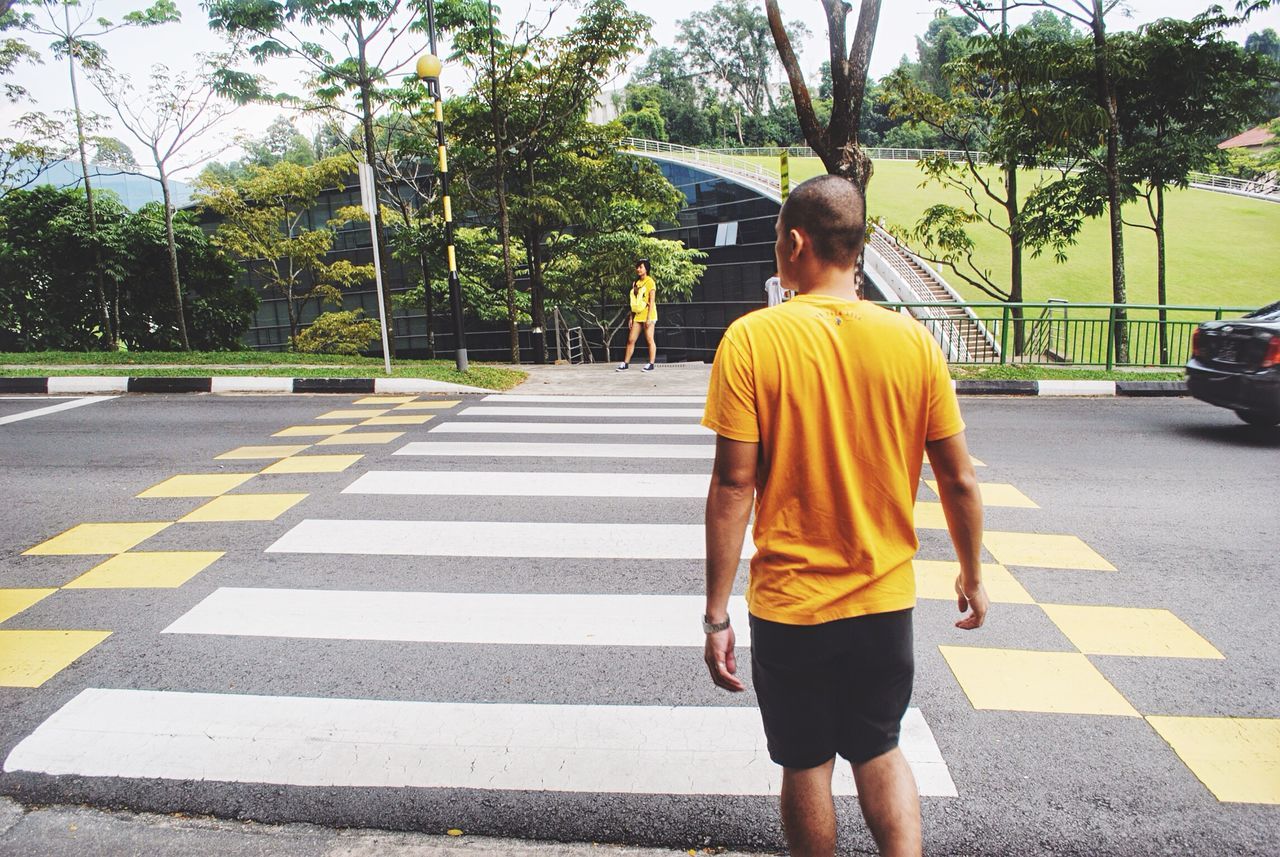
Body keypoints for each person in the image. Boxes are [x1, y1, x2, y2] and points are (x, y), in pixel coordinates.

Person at [700, 175, 988, 857]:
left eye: (777, 238)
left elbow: (733, 485)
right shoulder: (913, 342)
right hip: (883, 602)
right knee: (880, 749)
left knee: (805, 763)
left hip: (791, 605)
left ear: (796, 243)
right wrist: (973, 574)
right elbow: (959, 477)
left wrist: (716, 613)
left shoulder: (751, 341)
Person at [617, 259, 657, 372]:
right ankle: (625, 363)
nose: (638, 269)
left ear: (646, 269)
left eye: (641, 267)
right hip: (638, 315)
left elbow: (652, 301)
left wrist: (649, 318)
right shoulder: (636, 283)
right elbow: (633, 302)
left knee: (649, 339)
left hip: (649, 314)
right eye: (638, 267)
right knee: (631, 339)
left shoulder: (650, 282)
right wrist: (631, 317)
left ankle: (651, 363)